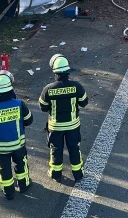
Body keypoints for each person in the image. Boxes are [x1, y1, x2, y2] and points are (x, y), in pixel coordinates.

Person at [39, 54, 89, 183]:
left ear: (54, 71)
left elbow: (43, 107)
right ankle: (78, 174)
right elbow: (84, 102)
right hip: (73, 125)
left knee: (56, 149)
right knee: (74, 148)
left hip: (55, 127)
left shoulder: (48, 89)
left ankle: (55, 174)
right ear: (67, 71)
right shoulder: (76, 86)